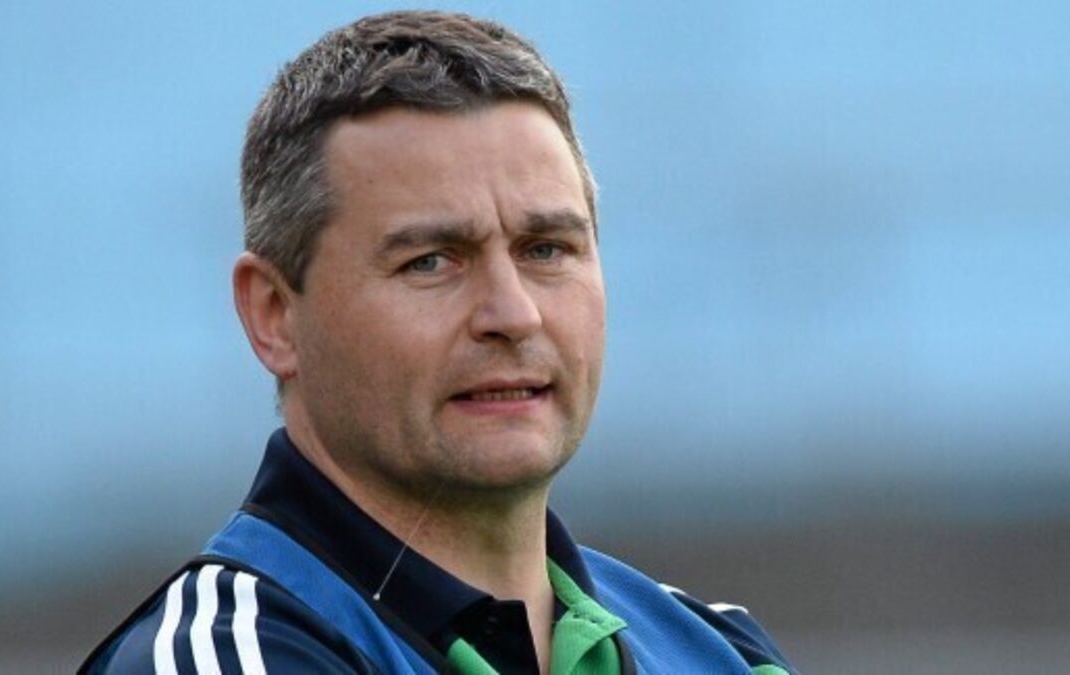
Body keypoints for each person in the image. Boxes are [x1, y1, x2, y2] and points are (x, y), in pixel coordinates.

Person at [82, 10, 794, 675]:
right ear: (274, 315)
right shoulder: (227, 654)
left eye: (546, 249)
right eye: (430, 261)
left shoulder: (718, 649)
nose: (513, 314)